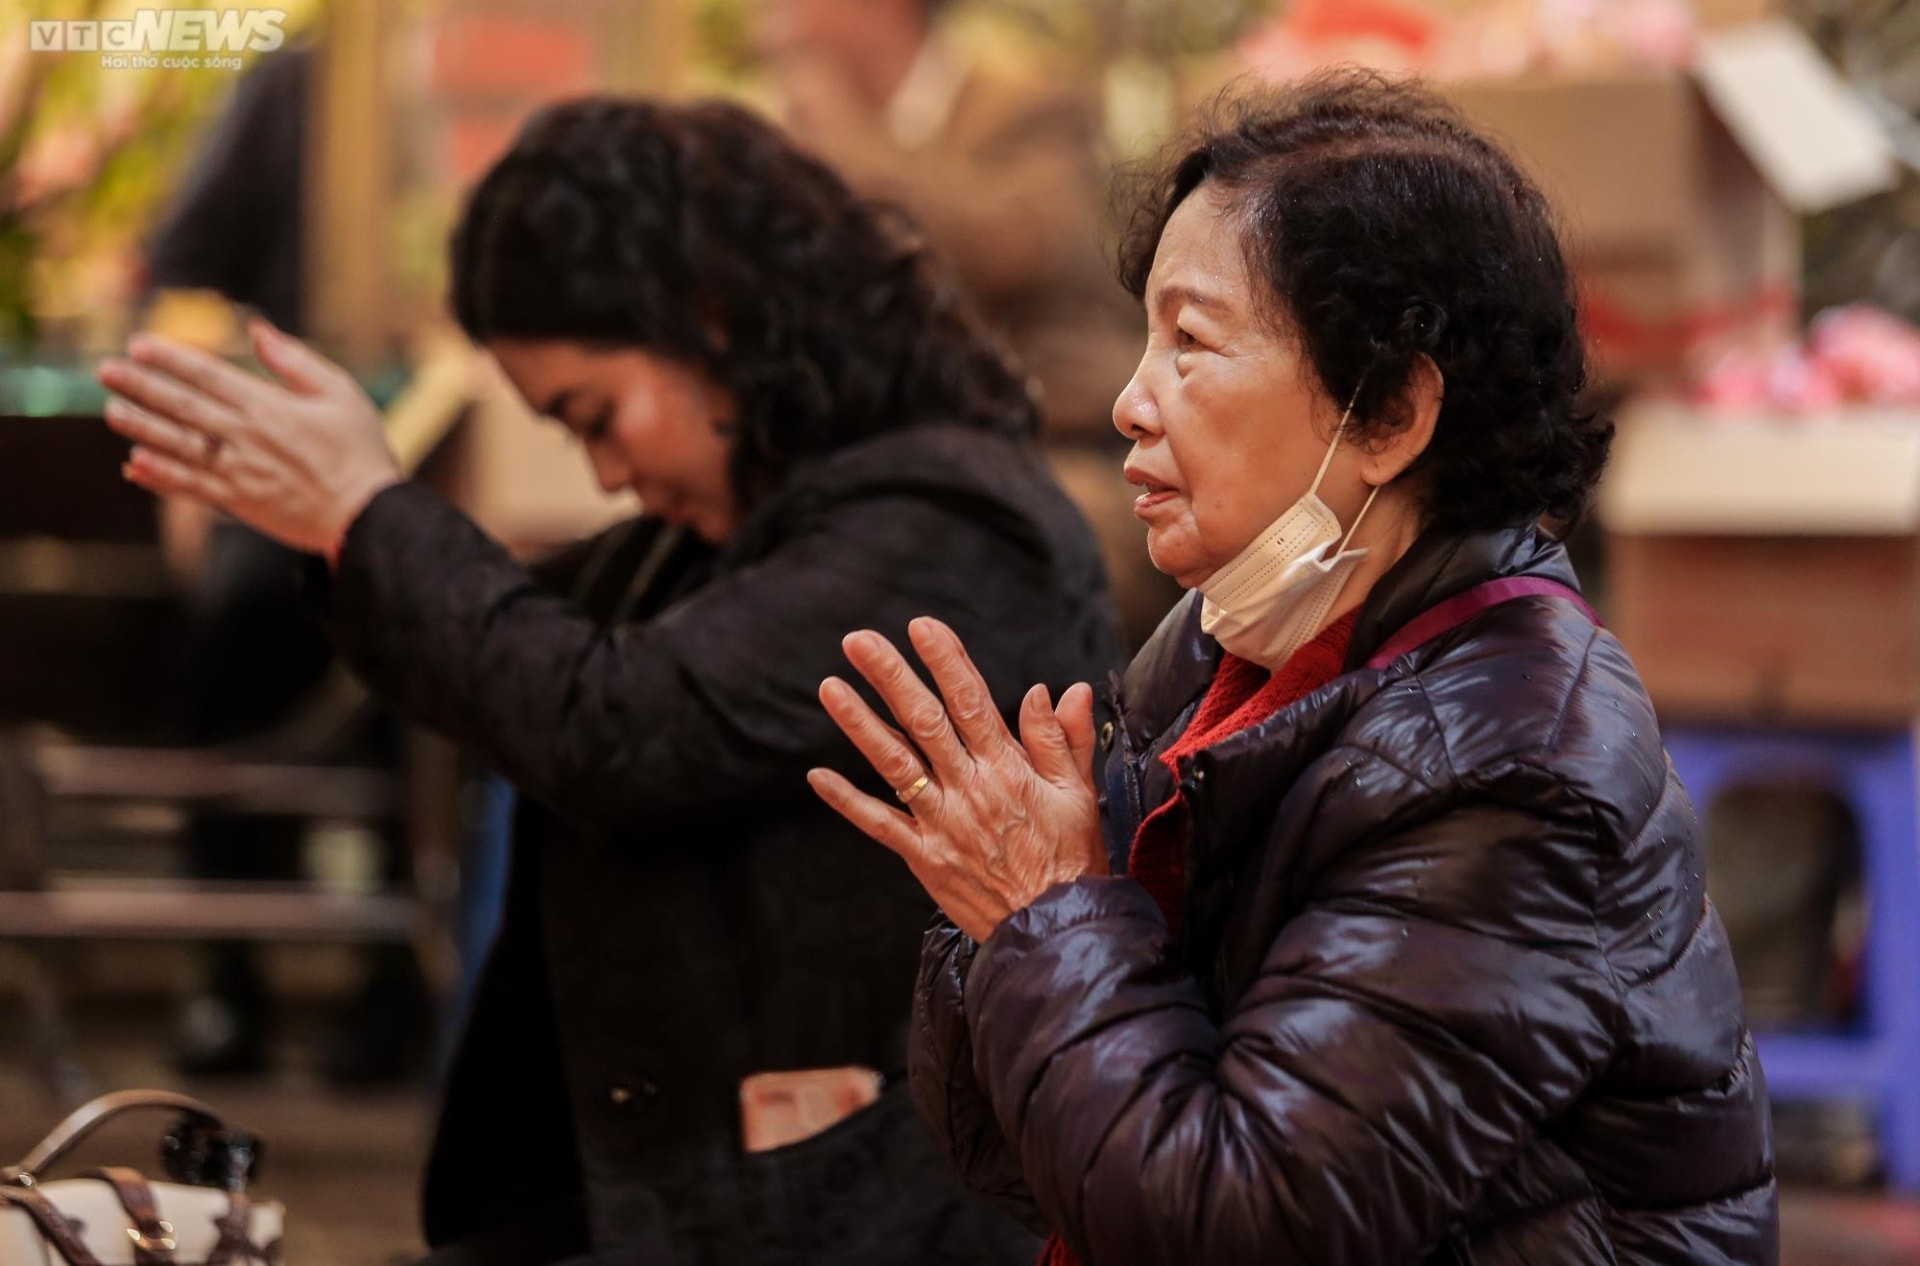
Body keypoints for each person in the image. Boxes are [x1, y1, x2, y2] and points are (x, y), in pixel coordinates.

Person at [97, 97, 1123, 1264]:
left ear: (714, 319)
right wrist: (342, 524)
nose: (607, 471)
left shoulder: (952, 521)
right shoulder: (731, 531)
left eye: (598, 416)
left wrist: (359, 510)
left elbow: (612, 718)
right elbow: (520, 651)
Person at [809, 73, 1778, 1265]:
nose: (1128, 402)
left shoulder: (1509, 760)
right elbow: (1030, 1155)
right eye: (1142, 339)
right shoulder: (1223, 648)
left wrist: (1042, 911)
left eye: (1193, 342)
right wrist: (1007, 908)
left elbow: (1247, 1224)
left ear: (1389, 414)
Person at [140, 44, 429, 1082]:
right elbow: (183, 271)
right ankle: (230, 977)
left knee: (428, 707)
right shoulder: (299, 83)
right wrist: (191, 459)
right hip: (286, 487)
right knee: (236, 660)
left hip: (452, 481)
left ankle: (392, 985)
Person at [756, 0, 1180, 647]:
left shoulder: (1025, 101)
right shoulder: (810, 130)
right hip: (892, 451)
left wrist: (851, 143)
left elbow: (1015, 247)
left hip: (1056, 439)